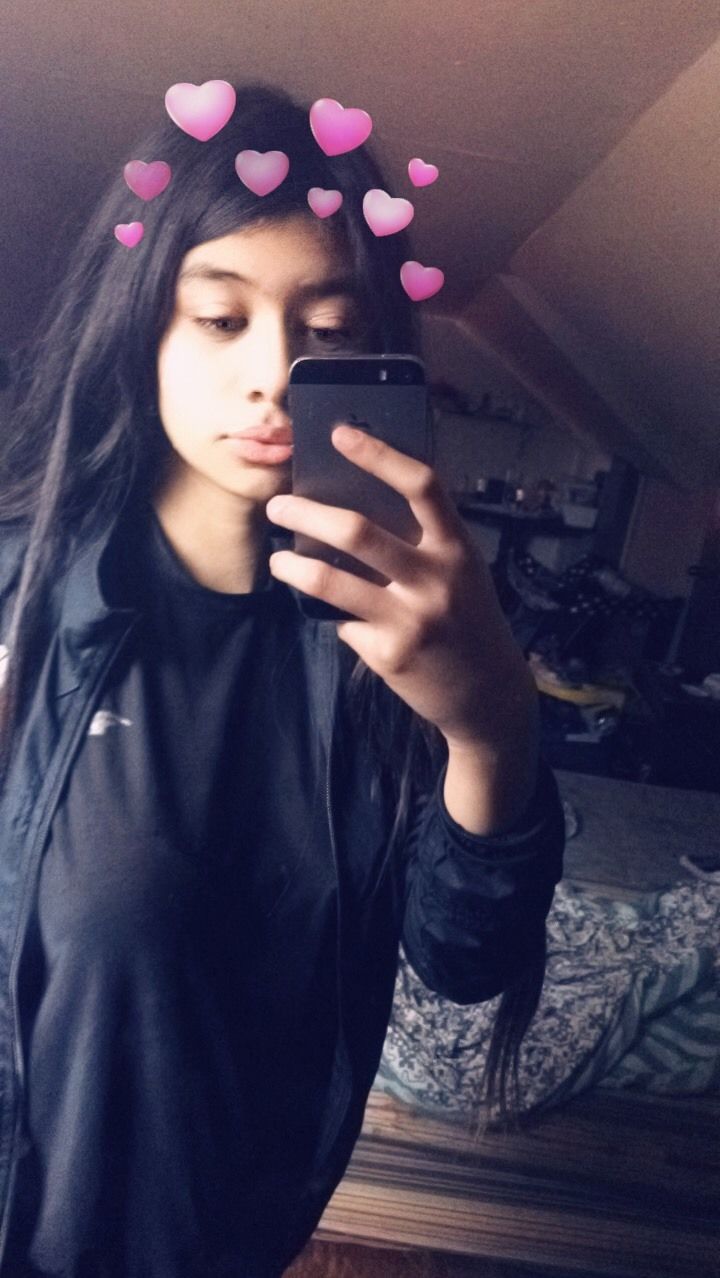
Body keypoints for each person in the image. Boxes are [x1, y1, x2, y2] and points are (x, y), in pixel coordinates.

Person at [0, 81, 565, 1278]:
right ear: (142, 326)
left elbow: (463, 962)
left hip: (236, 1241)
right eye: (220, 318)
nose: (274, 374)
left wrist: (493, 726)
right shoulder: (26, 598)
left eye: (330, 328)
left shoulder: (400, 634)